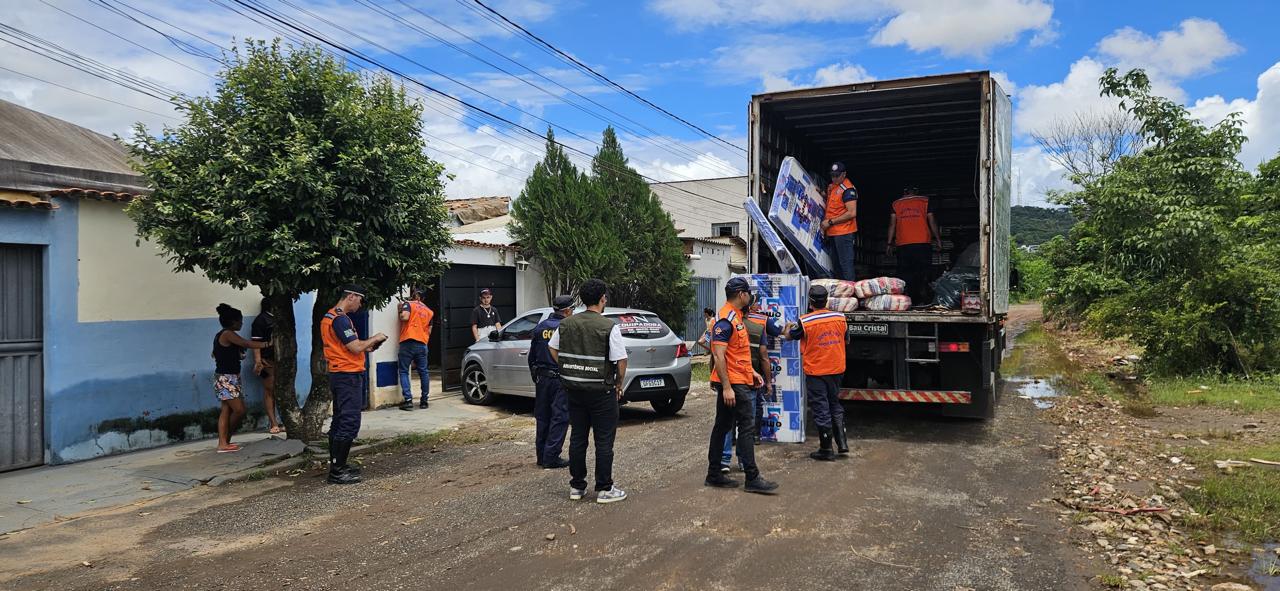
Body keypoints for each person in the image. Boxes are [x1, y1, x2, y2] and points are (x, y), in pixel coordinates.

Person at [549, 278, 628, 504]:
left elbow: (552, 348)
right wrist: (618, 384)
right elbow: (621, 360)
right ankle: (604, 488)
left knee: (578, 438)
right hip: (601, 392)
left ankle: (577, 487)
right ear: (603, 298)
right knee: (604, 441)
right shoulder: (608, 326)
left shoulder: (567, 323)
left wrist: (567, 368)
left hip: (574, 390)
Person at [704, 278, 780, 494]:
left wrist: (752, 372)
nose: (750, 296)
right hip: (734, 384)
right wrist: (727, 387)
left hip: (739, 378)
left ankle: (714, 473)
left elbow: (736, 354)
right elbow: (718, 356)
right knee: (746, 426)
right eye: (748, 292)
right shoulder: (726, 320)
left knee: (723, 426)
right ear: (740, 294)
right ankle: (752, 477)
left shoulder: (736, 317)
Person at [321, 285, 389, 484]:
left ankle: (337, 464)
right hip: (347, 375)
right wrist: (375, 337)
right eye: (360, 299)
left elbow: (353, 348)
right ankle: (337, 471)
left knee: (340, 420)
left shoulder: (330, 316)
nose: (361, 304)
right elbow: (355, 346)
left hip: (340, 373)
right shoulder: (340, 319)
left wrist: (371, 344)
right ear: (351, 296)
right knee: (349, 422)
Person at [786, 285, 849, 461]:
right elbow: (846, 340)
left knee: (821, 407)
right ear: (827, 300)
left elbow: (791, 336)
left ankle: (826, 449)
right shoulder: (840, 317)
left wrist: (788, 328)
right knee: (834, 403)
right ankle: (842, 443)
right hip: (836, 369)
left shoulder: (806, 321)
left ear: (810, 302)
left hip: (817, 371)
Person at [721, 292, 782, 472]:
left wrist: (717, 379)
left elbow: (714, 350)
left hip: (731, 379)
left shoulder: (726, 322)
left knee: (726, 422)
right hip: (749, 381)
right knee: (745, 424)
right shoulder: (758, 326)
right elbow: (763, 357)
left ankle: (724, 462)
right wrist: (768, 382)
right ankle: (743, 461)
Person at [212, 304, 269, 453]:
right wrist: (267, 343)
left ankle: (224, 442)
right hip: (226, 378)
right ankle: (224, 440)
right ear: (233, 322)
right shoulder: (227, 334)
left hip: (230, 377)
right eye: (240, 321)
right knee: (239, 410)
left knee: (226, 410)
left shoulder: (223, 335)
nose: (242, 324)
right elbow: (246, 343)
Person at [529, 295, 574, 469]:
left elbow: (532, 356)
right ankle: (551, 457)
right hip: (559, 378)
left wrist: (536, 376)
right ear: (567, 310)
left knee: (543, 417)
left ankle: (541, 456)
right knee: (560, 417)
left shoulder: (540, 327)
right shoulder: (566, 328)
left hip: (542, 378)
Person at [886, 187, 943, 306]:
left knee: (905, 274)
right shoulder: (925, 201)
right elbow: (932, 221)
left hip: (903, 244)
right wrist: (938, 239)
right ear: (917, 191)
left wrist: (889, 243)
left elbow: (892, 224)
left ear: (904, 191)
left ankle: (907, 301)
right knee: (923, 272)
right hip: (922, 243)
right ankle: (923, 300)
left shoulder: (896, 204)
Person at [397, 287, 434, 411]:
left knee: (403, 371)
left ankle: (408, 401)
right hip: (422, 344)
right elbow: (429, 330)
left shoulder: (409, 304)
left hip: (408, 341)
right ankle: (424, 401)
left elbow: (405, 317)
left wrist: (400, 311)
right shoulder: (429, 311)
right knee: (423, 372)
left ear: (416, 296)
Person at [821, 161, 860, 280]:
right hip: (833, 233)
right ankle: (841, 294)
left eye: (837, 175)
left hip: (844, 233)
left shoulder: (848, 189)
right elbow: (833, 202)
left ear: (844, 174)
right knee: (836, 266)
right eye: (832, 175)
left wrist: (830, 222)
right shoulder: (833, 187)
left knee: (845, 265)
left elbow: (852, 213)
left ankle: (850, 294)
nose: (834, 178)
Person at [250, 297, 283, 434]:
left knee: (281, 390)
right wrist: (258, 361)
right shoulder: (261, 320)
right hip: (267, 360)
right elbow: (255, 343)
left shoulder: (280, 318)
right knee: (269, 390)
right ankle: (273, 423)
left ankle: (283, 420)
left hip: (281, 359)